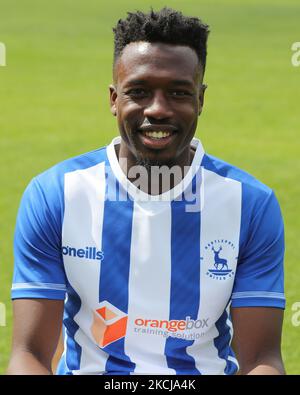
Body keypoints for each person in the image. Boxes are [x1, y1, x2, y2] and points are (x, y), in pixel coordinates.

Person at [7, 8, 285, 375]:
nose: (157, 109)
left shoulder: (250, 204)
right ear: (113, 98)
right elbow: (28, 355)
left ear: (200, 99)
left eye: (178, 92)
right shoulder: (55, 195)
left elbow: (262, 359)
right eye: (138, 91)